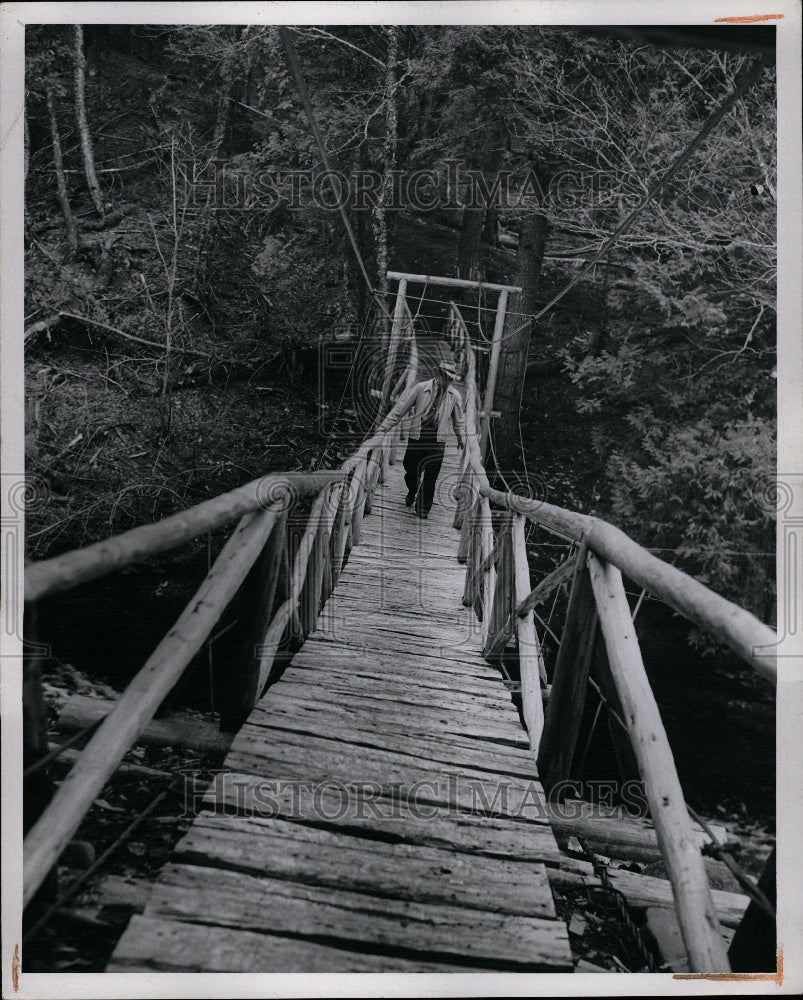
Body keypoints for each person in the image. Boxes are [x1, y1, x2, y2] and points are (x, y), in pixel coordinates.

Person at [376, 360, 466, 519]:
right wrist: (383, 428)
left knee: (431, 476)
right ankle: (412, 489)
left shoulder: (454, 396)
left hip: (437, 440)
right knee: (411, 469)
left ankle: (423, 509)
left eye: (450, 379)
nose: (447, 381)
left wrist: (461, 439)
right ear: (438, 374)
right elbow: (399, 410)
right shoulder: (420, 388)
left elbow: (459, 421)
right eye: (445, 376)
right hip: (418, 436)